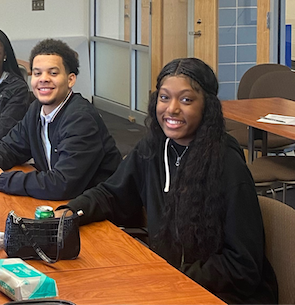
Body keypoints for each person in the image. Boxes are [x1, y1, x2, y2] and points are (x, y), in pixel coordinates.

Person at [63, 58, 277, 305]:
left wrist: (170, 275)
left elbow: (243, 267)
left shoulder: (228, 165)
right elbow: (112, 194)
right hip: (169, 281)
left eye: (186, 100)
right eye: (164, 98)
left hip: (223, 294)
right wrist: (71, 212)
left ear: (207, 106)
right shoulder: (152, 148)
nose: (172, 109)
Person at [0, 38, 121, 199]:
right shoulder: (36, 109)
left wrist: (0, 180)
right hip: (69, 205)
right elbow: (11, 147)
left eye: (53, 73)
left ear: (70, 79)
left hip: (105, 213)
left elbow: (62, 184)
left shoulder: (81, 119)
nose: (43, 78)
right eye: (37, 73)